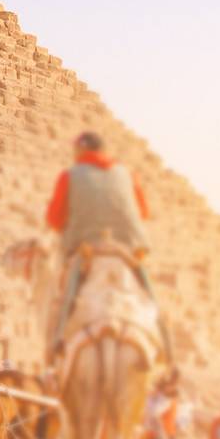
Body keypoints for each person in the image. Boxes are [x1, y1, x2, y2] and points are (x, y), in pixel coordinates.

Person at [43, 131, 169, 365]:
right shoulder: (127, 174)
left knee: (65, 299)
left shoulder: (69, 176)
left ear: (80, 150)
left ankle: (56, 346)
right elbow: (143, 212)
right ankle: (166, 348)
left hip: (87, 248)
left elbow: (54, 219)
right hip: (129, 249)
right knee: (151, 297)